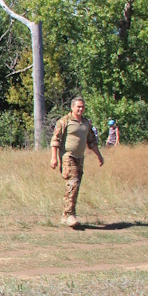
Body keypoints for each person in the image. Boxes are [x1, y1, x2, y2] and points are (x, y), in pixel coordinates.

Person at [50, 96, 104, 228]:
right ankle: (69, 215)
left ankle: (66, 214)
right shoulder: (64, 121)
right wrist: (54, 158)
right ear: (72, 107)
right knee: (72, 183)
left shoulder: (86, 123)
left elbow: (91, 141)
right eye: (78, 106)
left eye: (82, 107)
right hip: (68, 157)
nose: (80, 109)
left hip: (80, 158)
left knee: (76, 185)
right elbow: (55, 140)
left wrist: (99, 156)